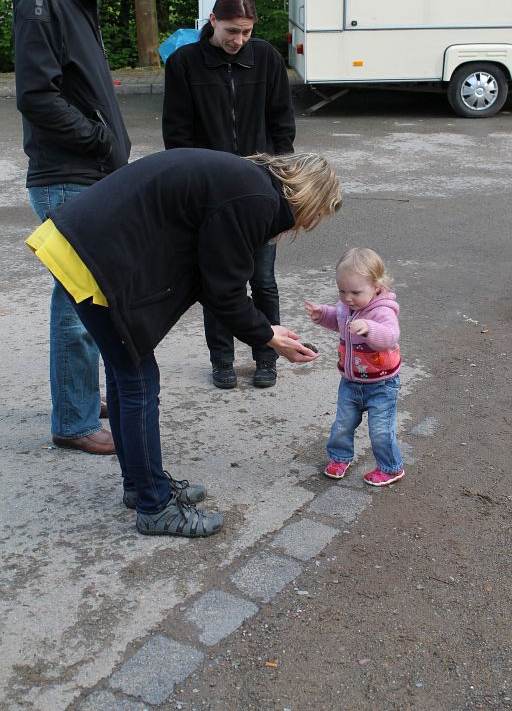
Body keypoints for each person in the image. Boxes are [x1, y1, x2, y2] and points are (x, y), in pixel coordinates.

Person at [25, 148, 341, 537]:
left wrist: (264, 331)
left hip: (84, 244)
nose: (305, 225)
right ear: (309, 198)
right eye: (314, 216)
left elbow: (212, 275)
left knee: (128, 375)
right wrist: (267, 336)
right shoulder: (255, 198)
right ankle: (155, 507)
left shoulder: (248, 183)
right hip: (95, 254)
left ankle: (140, 485)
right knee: (139, 382)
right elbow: (224, 290)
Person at [13, 0, 131, 454]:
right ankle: (74, 422)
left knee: (88, 294)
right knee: (77, 299)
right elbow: (37, 95)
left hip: (87, 172)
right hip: (67, 174)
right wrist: (101, 140)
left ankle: (78, 397)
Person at [162, 0, 295, 391]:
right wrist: (195, 187)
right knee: (217, 281)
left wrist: (279, 177)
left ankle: (266, 356)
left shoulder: (267, 58)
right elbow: (177, 135)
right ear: (212, 20)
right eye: (231, 30)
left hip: (261, 190)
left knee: (263, 279)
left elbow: (282, 125)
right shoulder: (184, 63)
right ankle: (221, 360)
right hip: (211, 195)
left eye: (246, 32)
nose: (239, 39)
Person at [306, 248, 404, 487]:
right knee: (342, 424)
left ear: (376, 286)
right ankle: (340, 458)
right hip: (350, 382)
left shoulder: (382, 310)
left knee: (380, 430)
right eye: (342, 291)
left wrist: (370, 328)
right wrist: (323, 315)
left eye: (355, 292)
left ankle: (391, 467)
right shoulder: (346, 307)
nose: (347, 298)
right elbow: (339, 321)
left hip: (381, 384)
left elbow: (390, 335)